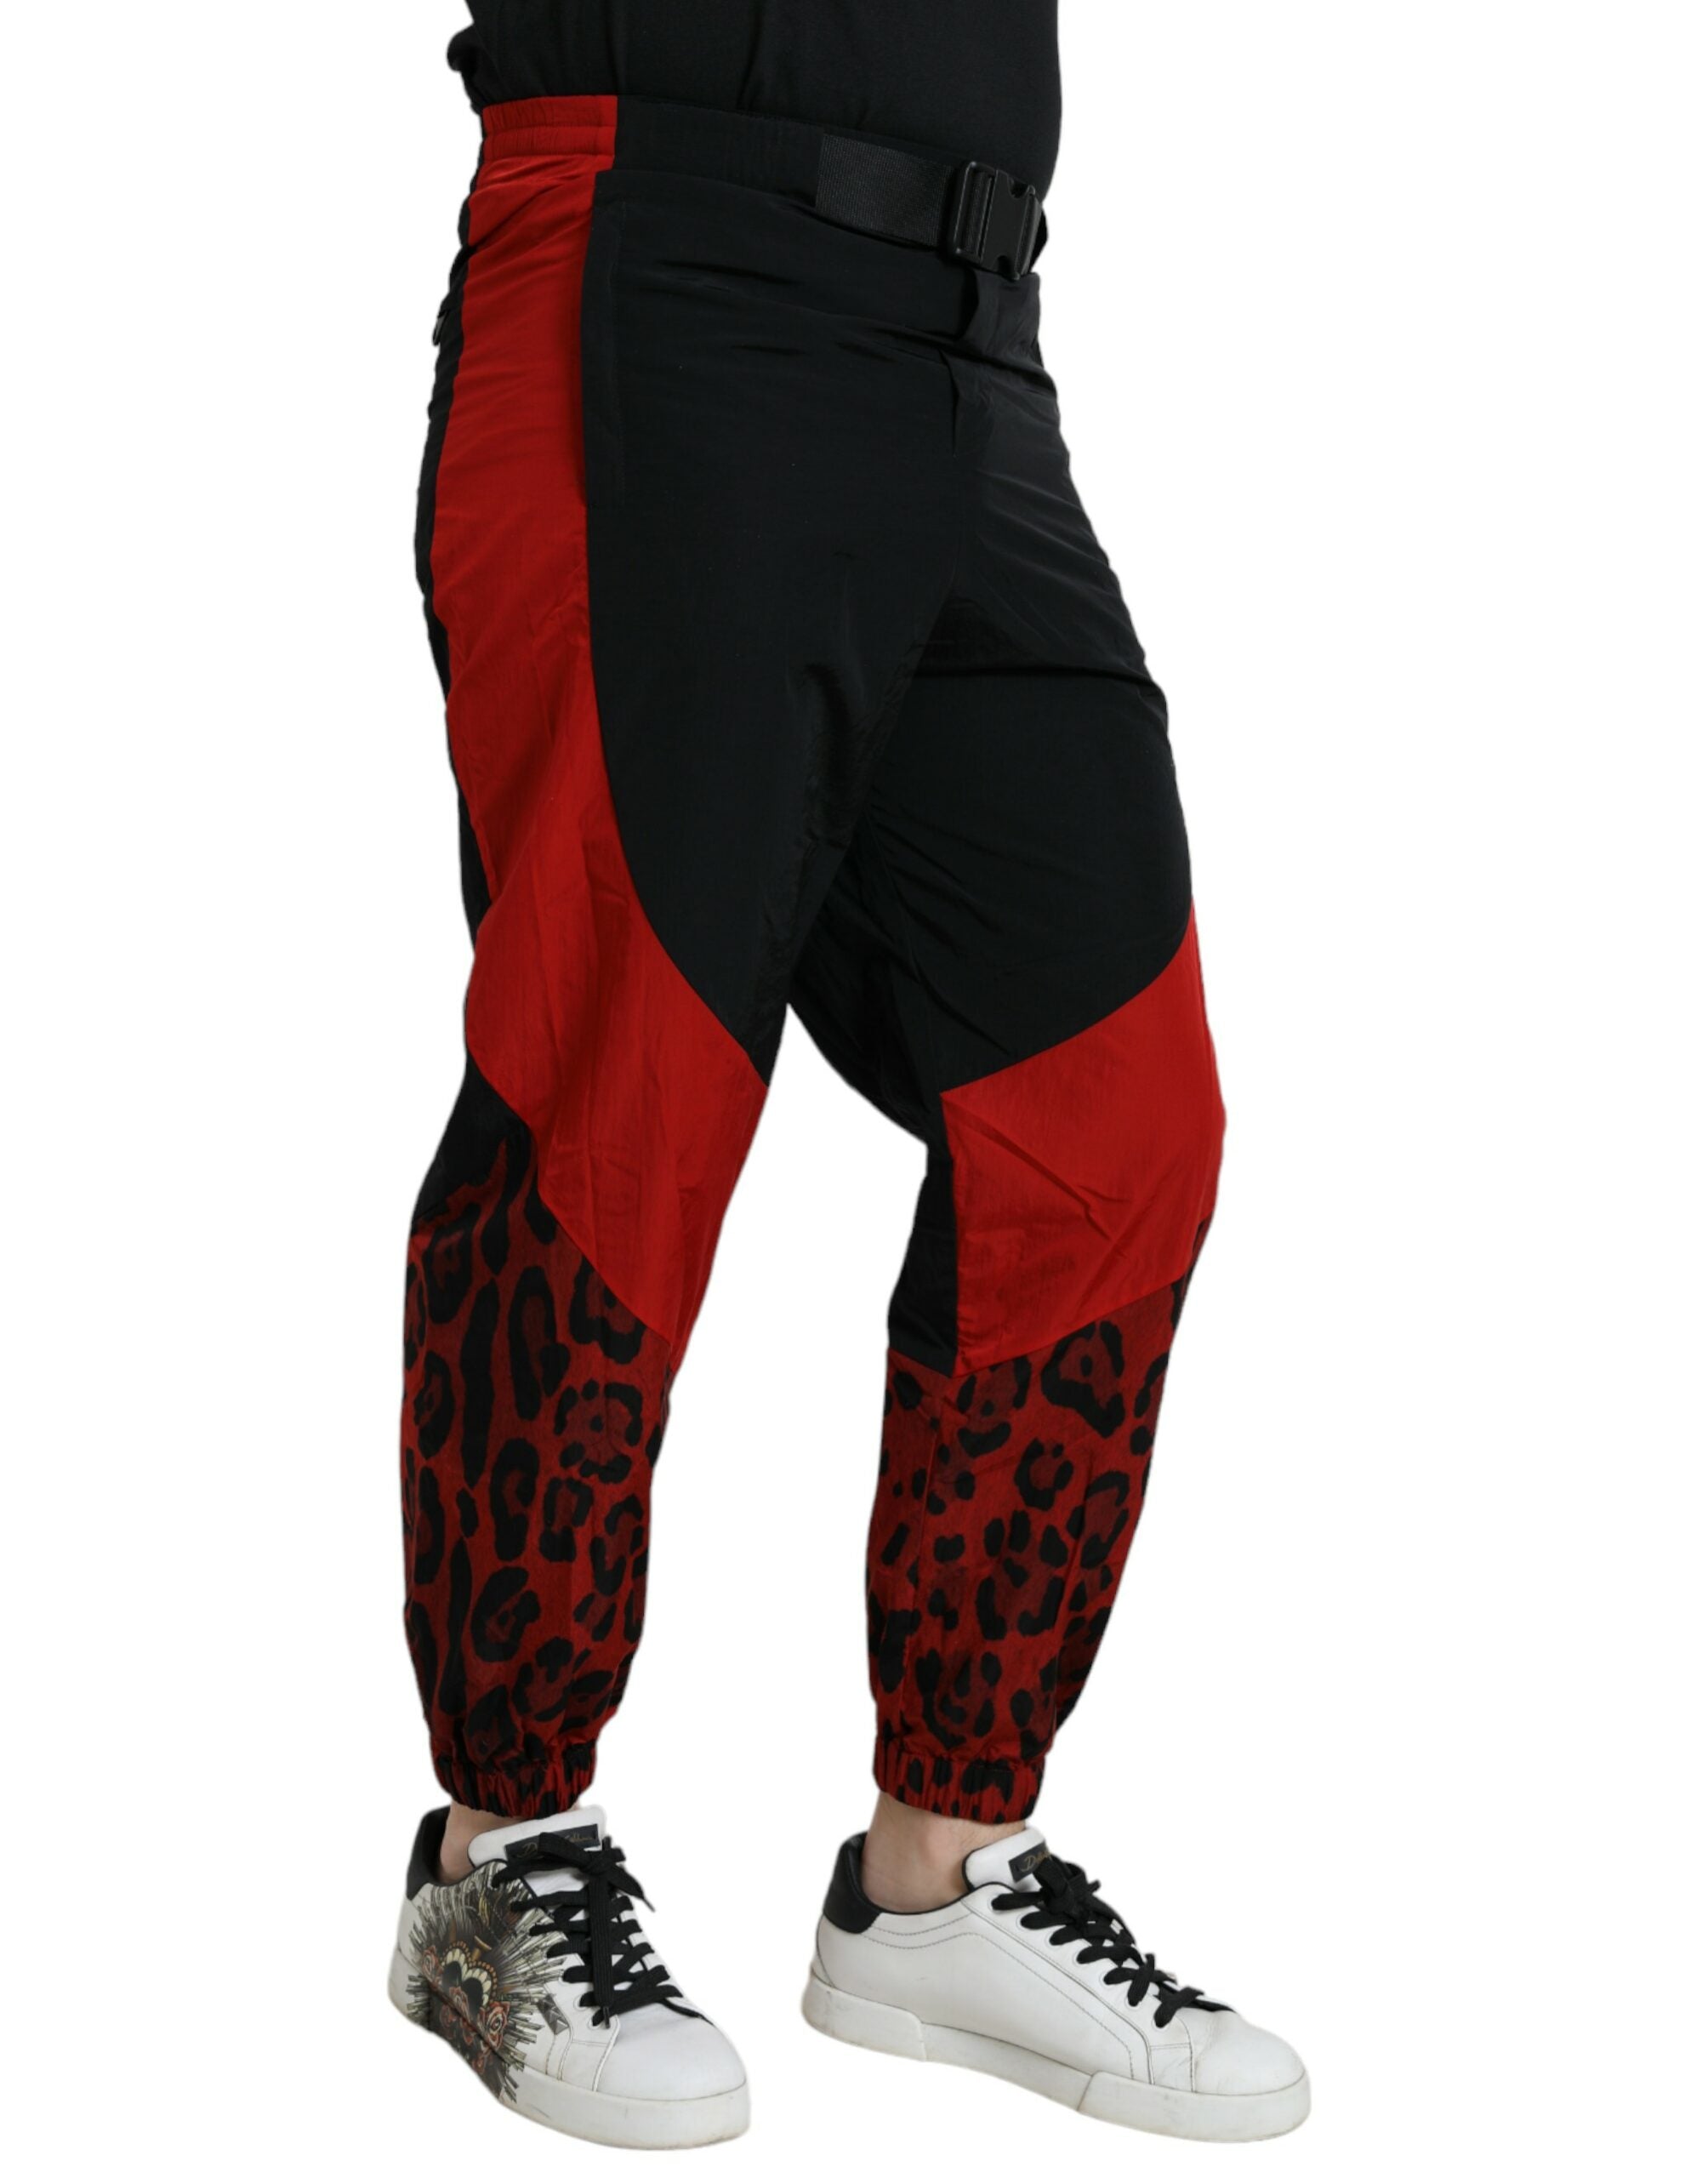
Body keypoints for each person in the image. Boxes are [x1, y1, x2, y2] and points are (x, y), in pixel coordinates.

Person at [390, 2, 1308, 2147]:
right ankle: (497, 1855)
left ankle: (934, 1874)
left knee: (1110, 1121)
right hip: (659, 268)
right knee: (619, 1084)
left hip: (975, 347)